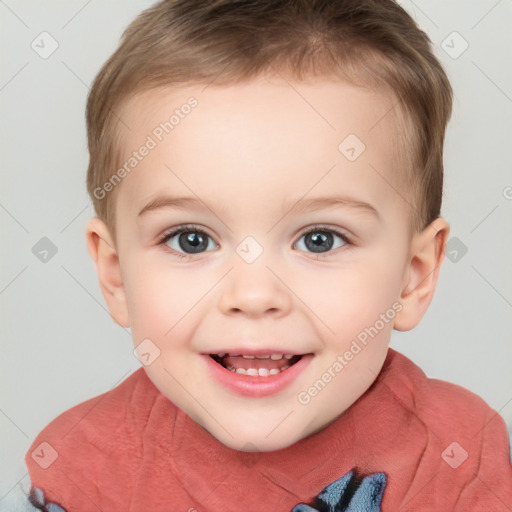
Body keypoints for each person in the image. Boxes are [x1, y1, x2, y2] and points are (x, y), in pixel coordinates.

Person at [24, 0, 512, 510]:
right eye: (191, 239)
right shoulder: (78, 467)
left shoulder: (462, 458)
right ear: (116, 273)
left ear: (414, 277)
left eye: (320, 239)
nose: (253, 295)